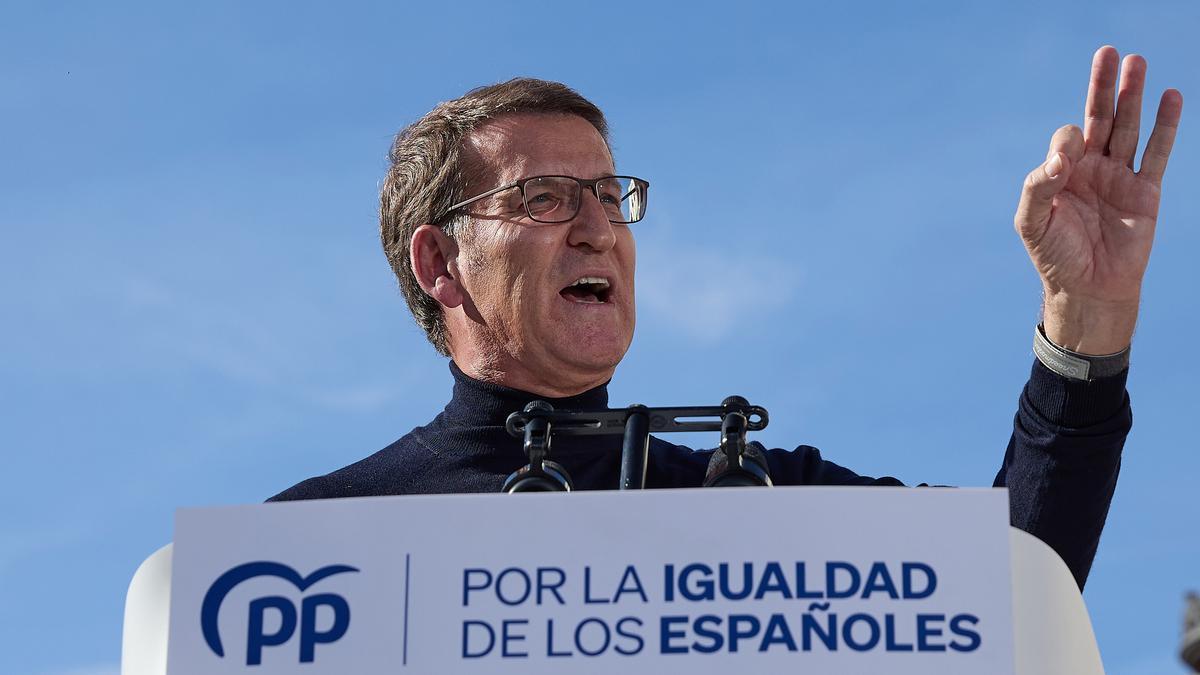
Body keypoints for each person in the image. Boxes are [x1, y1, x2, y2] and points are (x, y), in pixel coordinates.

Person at [271, 46, 1182, 590]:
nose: (598, 231)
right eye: (544, 198)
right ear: (440, 263)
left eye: (609, 196)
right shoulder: (307, 551)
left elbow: (1020, 579)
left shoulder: (758, 502)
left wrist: (1086, 315)